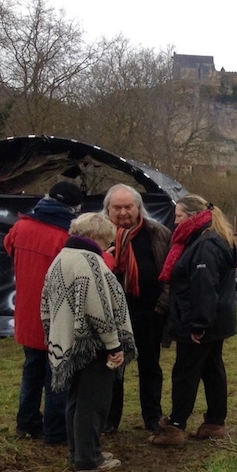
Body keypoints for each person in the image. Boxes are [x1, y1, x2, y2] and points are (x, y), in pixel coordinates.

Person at [40, 213, 136, 472]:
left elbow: (46, 305)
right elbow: (99, 310)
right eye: (106, 241)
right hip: (92, 345)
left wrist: (55, 336)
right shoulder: (89, 262)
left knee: (77, 398)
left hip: (70, 342)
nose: (107, 247)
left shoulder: (61, 258)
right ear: (94, 237)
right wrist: (114, 345)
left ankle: (79, 452)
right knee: (93, 402)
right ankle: (89, 459)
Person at [149, 195, 237, 448]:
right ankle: (215, 421)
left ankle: (176, 425)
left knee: (185, 372)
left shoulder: (205, 244)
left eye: (178, 216)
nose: (175, 222)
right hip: (217, 318)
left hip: (200, 320)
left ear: (191, 216)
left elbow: (204, 286)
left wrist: (198, 324)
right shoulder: (210, 237)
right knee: (212, 368)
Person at [4, 180, 86, 444]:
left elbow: (8, 247)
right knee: (57, 377)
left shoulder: (20, 227)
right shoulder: (66, 238)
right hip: (55, 318)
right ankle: (56, 432)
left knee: (31, 371)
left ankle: (26, 424)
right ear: (74, 207)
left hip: (26, 315)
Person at [103, 184, 171, 435]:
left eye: (128, 207)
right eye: (117, 207)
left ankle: (152, 416)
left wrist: (161, 307)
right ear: (107, 209)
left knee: (150, 366)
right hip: (111, 317)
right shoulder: (99, 235)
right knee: (113, 367)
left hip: (149, 312)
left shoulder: (158, 233)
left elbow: (170, 273)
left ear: (138, 208)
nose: (123, 212)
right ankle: (110, 419)